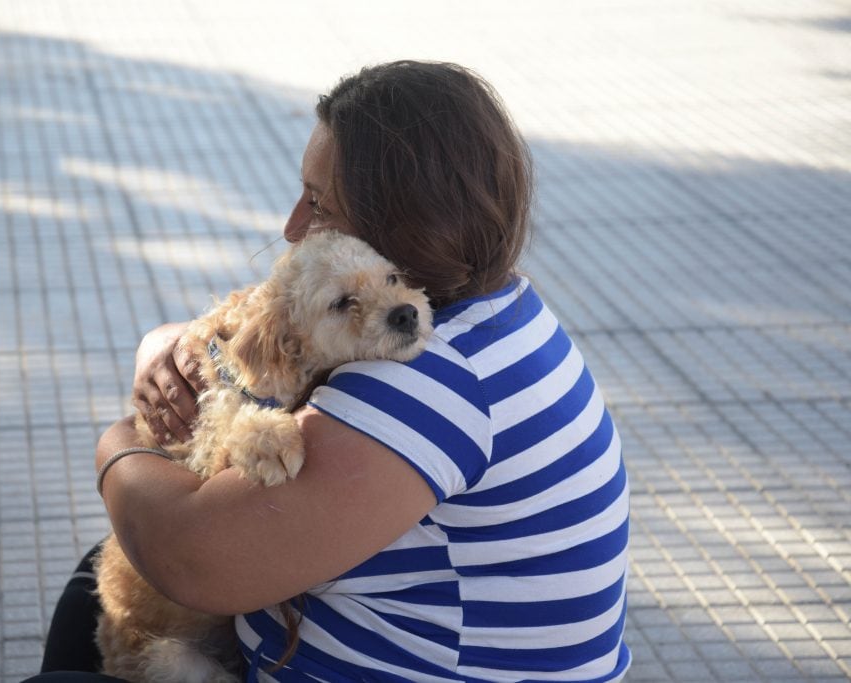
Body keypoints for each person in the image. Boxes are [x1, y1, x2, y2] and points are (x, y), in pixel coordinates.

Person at [33, 60, 631, 682]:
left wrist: (117, 443)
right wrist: (165, 346)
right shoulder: (489, 311)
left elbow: (193, 561)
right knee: (94, 587)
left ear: (408, 222)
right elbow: (258, 341)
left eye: (319, 206)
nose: (292, 228)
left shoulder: (420, 380)